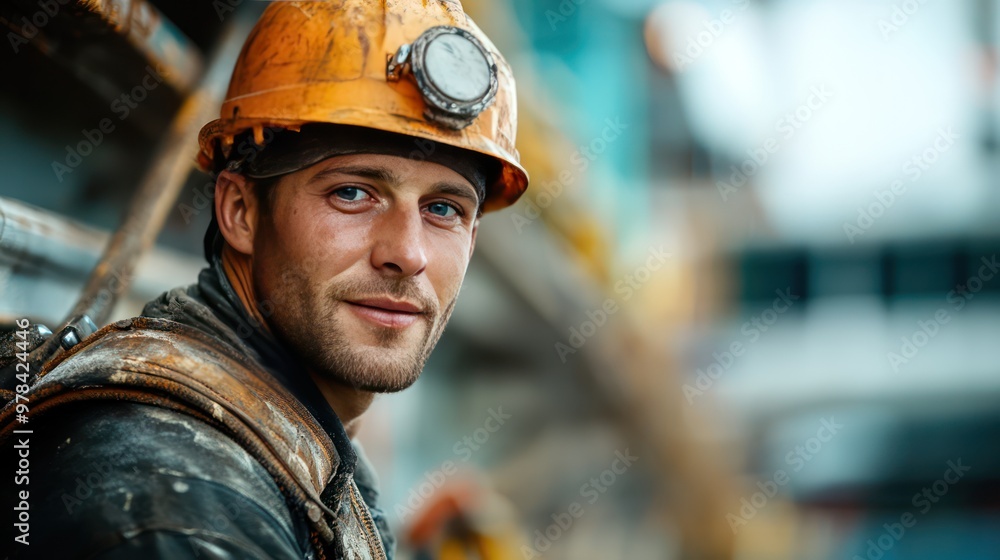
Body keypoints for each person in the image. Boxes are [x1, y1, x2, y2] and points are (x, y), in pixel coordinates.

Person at [1, 1, 527, 558]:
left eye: (443, 209)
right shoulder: (181, 510)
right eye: (352, 193)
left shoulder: (288, 442)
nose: (408, 253)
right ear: (240, 212)